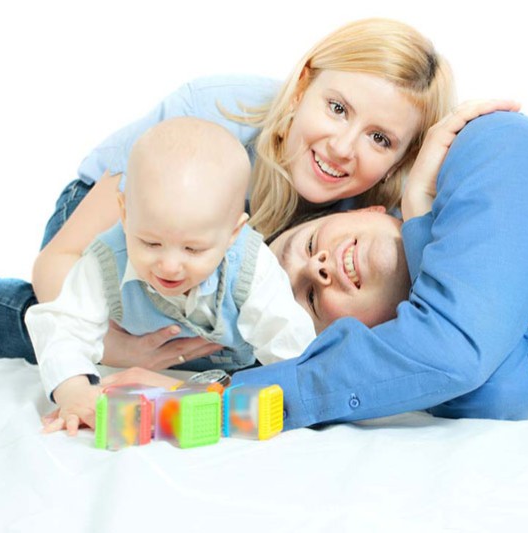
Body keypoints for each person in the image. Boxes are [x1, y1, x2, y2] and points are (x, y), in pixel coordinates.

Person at [114, 110, 528, 430]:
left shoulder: (497, 151)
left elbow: (453, 351)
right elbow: (499, 390)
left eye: (305, 244)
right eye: (307, 299)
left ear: (371, 204)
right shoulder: (484, 335)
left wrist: (224, 400)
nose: (318, 266)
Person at [0, 17, 517, 370]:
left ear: (400, 158)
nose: (343, 147)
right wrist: (112, 346)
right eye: (337, 108)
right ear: (304, 83)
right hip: (120, 229)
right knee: (62, 327)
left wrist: (417, 203)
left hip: (213, 267)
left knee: (216, 346)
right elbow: (59, 260)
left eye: (380, 138)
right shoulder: (212, 116)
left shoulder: (369, 216)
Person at [27, 117, 317, 433]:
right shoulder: (106, 258)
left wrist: (283, 397)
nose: (169, 265)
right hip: (138, 365)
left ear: (233, 232)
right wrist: (74, 391)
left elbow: (288, 340)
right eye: (150, 242)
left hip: (224, 377)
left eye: (193, 249)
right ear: (124, 213)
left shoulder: (251, 262)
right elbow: (64, 326)